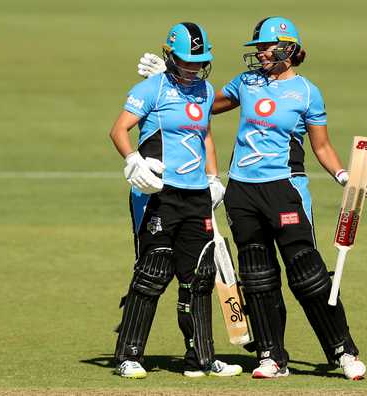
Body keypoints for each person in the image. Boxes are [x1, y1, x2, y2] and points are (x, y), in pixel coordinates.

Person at [136, 16, 367, 380]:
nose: (261, 53)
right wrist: (170, 81)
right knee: (257, 276)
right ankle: (271, 356)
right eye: (258, 48)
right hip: (242, 192)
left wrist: (347, 176)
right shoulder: (245, 82)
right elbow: (200, 107)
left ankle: (343, 352)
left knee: (307, 275)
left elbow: (322, 145)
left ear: (289, 49)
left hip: (285, 188)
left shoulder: (307, 92)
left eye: (267, 47)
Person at [109, 22, 242, 379]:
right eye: (187, 61)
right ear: (170, 56)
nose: (195, 67)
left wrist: (214, 178)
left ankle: (200, 357)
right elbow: (118, 129)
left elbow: (206, 137)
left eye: (200, 61)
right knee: (153, 272)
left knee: (199, 275)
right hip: (161, 195)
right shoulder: (151, 88)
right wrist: (133, 160)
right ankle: (129, 356)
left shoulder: (204, 89)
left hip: (197, 195)